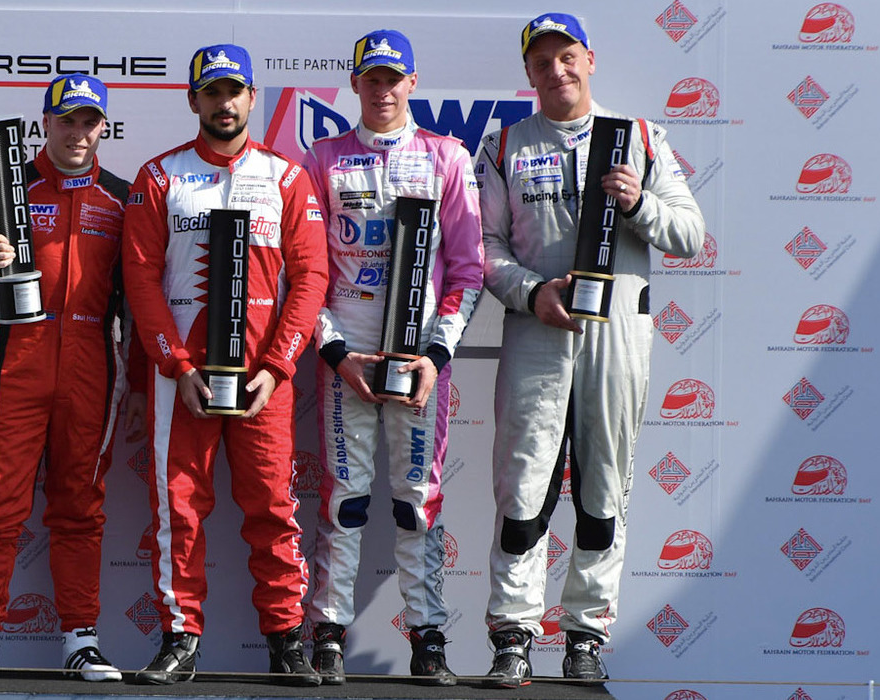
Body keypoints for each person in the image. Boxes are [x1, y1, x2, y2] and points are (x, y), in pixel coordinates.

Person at [474, 12, 705, 686]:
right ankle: (512, 635)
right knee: (523, 489)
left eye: (567, 56)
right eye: (542, 61)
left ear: (590, 59)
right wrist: (532, 292)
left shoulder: (639, 137)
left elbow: (690, 234)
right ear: (528, 72)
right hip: (537, 331)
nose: (557, 71)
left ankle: (585, 635)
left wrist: (638, 207)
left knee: (603, 488)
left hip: (617, 335)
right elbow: (484, 249)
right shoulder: (505, 145)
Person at [121, 43, 329, 687]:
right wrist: (176, 365)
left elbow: (311, 278)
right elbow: (141, 280)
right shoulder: (160, 177)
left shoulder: (287, 177)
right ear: (193, 100)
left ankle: (286, 641)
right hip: (182, 379)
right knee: (178, 509)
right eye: (211, 92)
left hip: (263, 379)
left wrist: (278, 367)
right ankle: (180, 639)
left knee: (273, 507)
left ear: (252, 98)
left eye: (234, 91)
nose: (224, 103)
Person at [297, 29, 483, 687]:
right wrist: (334, 351)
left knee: (416, 501)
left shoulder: (447, 156)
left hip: (418, 360)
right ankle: (327, 635)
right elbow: (307, 272)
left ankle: (427, 637)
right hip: (345, 359)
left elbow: (468, 270)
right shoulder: (322, 159)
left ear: (412, 83)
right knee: (344, 500)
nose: (382, 90)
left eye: (393, 78)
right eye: (371, 78)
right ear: (354, 84)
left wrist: (436, 353)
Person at [0, 73, 130, 683]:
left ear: (103, 128)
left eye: (89, 122)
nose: (78, 133)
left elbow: (144, 294)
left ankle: (82, 641)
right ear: (44, 123)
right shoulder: (2, 183)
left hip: (92, 367)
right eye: (66, 120)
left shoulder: (124, 198)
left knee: (81, 508)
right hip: (13, 364)